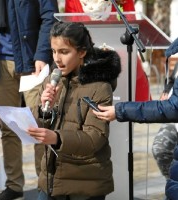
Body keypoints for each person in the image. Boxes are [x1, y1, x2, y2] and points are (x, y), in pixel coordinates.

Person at [0, 1, 59, 199]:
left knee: (39, 124)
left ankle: (45, 185)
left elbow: (49, 17)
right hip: (0, 66)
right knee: (9, 127)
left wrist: (42, 54)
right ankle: (14, 185)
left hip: (33, 63)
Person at [28, 21, 121, 200]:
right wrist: (44, 110)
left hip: (85, 183)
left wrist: (57, 138)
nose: (57, 58)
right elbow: (40, 125)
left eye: (64, 52)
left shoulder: (100, 87)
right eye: (54, 51)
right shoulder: (51, 81)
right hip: (50, 179)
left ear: (82, 52)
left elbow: (95, 138)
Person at [64, 0, 151, 102]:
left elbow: (131, 29)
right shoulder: (72, 1)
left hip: (122, 65)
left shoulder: (122, 1)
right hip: (86, 65)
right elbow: (70, 34)